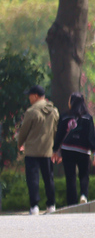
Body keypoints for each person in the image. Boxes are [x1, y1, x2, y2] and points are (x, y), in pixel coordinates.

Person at [17, 85, 59, 215]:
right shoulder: (54, 111)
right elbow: (57, 130)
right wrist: (56, 148)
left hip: (32, 151)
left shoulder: (31, 112)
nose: (29, 98)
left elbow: (23, 131)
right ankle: (51, 204)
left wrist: (20, 143)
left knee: (33, 179)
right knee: (48, 178)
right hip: (47, 150)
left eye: (30, 95)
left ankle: (34, 206)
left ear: (35, 96)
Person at [52, 92, 95, 206]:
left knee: (70, 177)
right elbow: (91, 136)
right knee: (84, 175)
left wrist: (55, 150)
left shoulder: (64, 116)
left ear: (71, 102)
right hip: (83, 151)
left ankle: (72, 203)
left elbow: (59, 135)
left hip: (67, 150)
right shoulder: (88, 118)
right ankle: (84, 195)